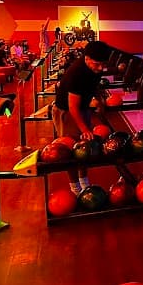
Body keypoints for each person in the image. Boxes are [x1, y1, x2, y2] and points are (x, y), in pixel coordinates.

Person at [52, 40, 111, 195]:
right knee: (70, 149)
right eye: (97, 64)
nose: (101, 68)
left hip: (82, 108)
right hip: (66, 112)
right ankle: (74, 186)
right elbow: (72, 107)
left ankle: (84, 180)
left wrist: (99, 99)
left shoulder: (95, 68)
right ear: (87, 58)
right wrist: (85, 129)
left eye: (103, 64)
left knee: (85, 147)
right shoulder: (77, 74)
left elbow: (95, 84)